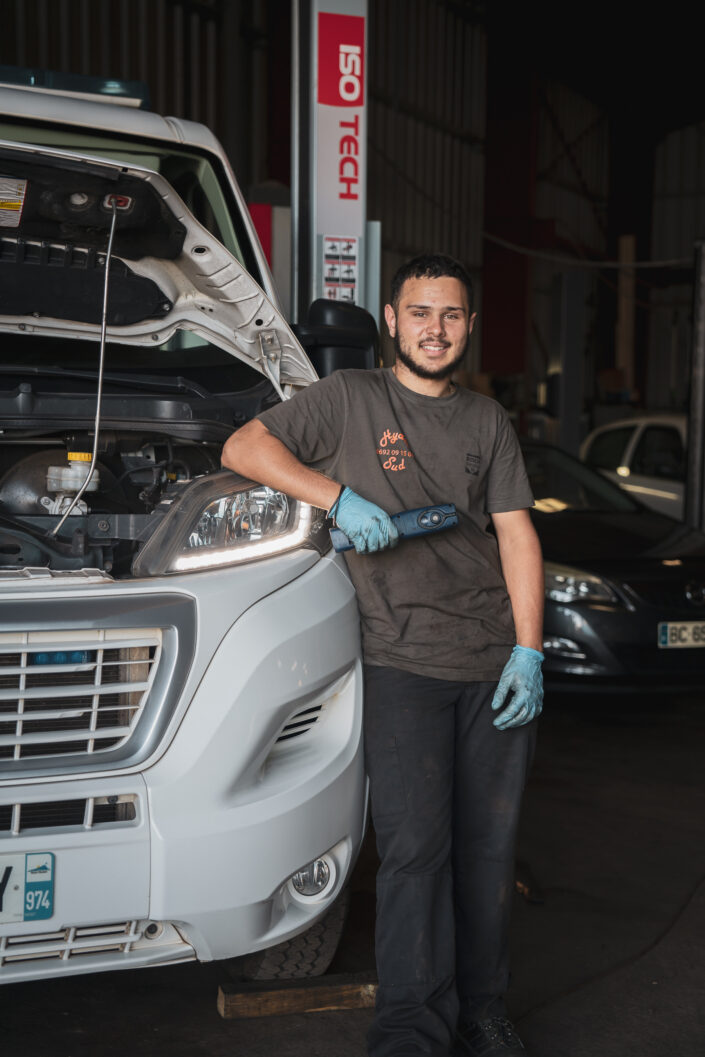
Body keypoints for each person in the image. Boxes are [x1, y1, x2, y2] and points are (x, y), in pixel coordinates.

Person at [221, 254, 544, 1057]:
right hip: (401, 662)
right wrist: (336, 496)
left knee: (487, 852)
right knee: (414, 853)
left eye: (451, 314)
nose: (436, 329)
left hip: (491, 661)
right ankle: (410, 1029)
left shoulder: (486, 420)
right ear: (392, 320)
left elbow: (515, 534)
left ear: (468, 326)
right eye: (420, 312)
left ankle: (482, 1009)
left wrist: (529, 651)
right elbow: (243, 448)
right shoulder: (348, 398)